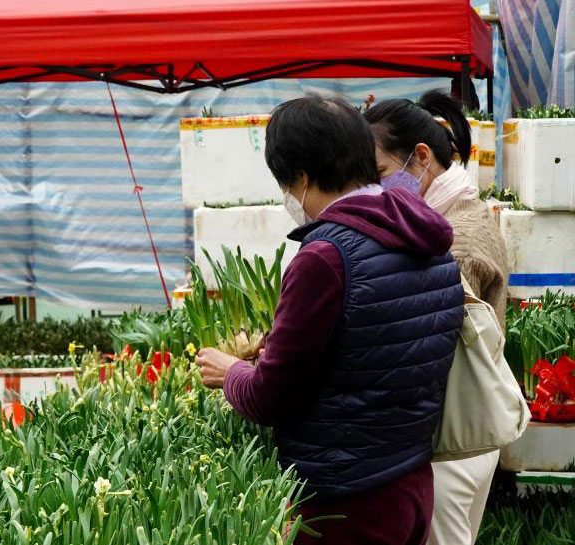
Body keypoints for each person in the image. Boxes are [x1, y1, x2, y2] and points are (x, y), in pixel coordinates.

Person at [196, 96, 465, 544]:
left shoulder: (325, 258)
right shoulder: (430, 239)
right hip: (412, 484)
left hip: (344, 503)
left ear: (300, 177)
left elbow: (269, 398)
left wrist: (232, 373)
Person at [365, 90, 510, 545]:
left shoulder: (456, 235)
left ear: (421, 158)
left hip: (451, 440)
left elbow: (423, 329)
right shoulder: (459, 214)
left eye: (381, 175)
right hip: (465, 435)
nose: (375, 189)